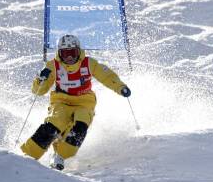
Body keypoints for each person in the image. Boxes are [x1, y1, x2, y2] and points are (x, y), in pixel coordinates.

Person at [21, 34, 131, 170]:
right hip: (61, 101)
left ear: (78, 52)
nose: (69, 57)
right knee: (55, 123)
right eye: (65, 53)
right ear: (59, 53)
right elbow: (38, 91)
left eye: (72, 53)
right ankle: (28, 154)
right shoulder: (53, 66)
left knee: (80, 124)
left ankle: (60, 155)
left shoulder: (89, 63)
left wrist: (121, 87)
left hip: (84, 102)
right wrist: (40, 79)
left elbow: (107, 76)